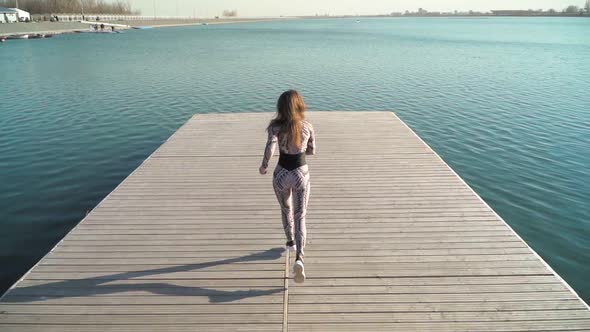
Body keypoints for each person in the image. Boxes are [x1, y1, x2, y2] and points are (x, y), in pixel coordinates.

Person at [259, 90, 315, 283]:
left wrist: (264, 165)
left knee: (286, 209)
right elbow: (311, 150)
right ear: (300, 105)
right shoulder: (307, 126)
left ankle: (290, 242)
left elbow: (270, 147)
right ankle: (300, 257)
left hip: (281, 174)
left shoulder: (274, 127)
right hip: (301, 174)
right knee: (301, 215)